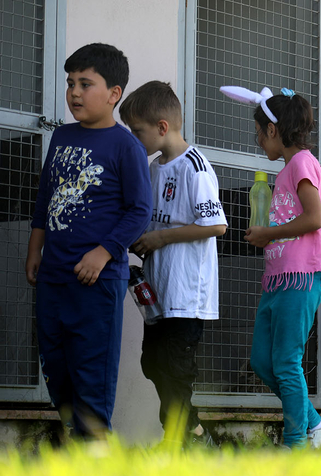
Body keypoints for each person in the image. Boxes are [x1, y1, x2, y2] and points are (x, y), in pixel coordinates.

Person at [24, 43, 152, 438]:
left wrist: (103, 252)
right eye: (70, 83)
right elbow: (46, 197)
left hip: (96, 286)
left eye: (85, 83)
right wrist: (35, 249)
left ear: (114, 94)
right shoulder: (61, 137)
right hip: (52, 280)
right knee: (57, 375)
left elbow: (139, 210)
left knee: (91, 383)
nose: (74, 92)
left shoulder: (126, 146)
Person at [220, 85, 321, 448]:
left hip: (301, 277)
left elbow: (315, 218)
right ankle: (316, 425)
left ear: (273, 130)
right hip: (280, 278)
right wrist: (269, 237)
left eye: (259, 133)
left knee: (286, 363)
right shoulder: (290, 167)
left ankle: (296, 444)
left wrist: (269, 232)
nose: (258, 141)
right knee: (262, 360)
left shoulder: (302, 162)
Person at [119, 80, 227, 446]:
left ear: (162, 127)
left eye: (138, 132)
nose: (134, 140)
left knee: (176, 369)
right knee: (153, 363)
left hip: (187, 293)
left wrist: (161, 238)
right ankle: (193, 434)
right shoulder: (152, 169)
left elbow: (216, 224)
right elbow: (151, 222)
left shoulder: (194, 166)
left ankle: (183, 443)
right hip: (158, 292)